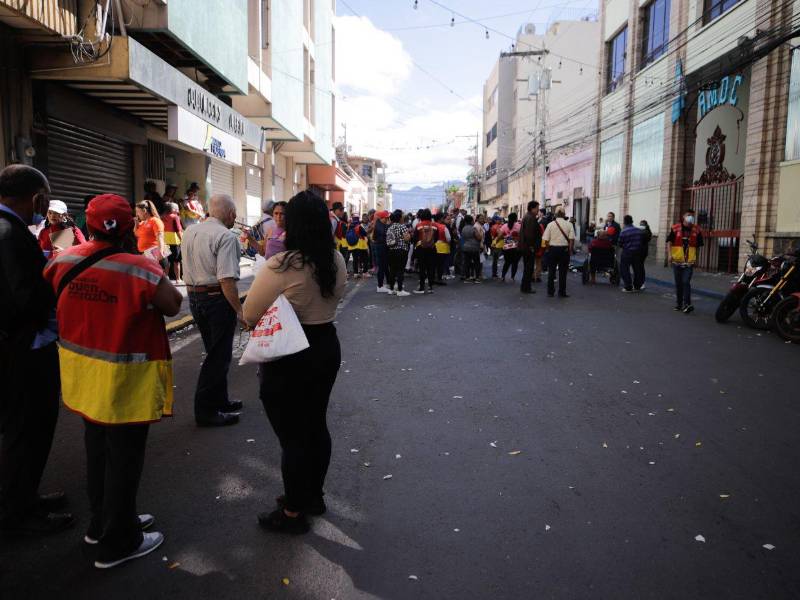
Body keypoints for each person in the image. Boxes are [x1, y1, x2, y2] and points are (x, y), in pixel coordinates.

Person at [43, 194, 181, 568]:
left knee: (98, 452)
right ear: (128, 229)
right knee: (124, 459)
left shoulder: (63, 259)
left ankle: (101, 524)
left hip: (83, 376)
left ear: (86, 225)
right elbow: (172, 305)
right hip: (126, 381)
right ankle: (119, 541)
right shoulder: (140, 268)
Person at [242, 191, 346, 534]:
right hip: (325, 346)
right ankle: (312, 496)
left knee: (292, 436)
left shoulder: (283, 264)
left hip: (289, 352)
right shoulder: (336, 259)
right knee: (315, 425)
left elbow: (250, 313)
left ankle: (292, 511)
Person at [0, 165, 74, 537]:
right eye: (44, 196)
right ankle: (18, 513)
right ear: (36, 198)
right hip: (23, 350)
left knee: (23, 430)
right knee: (27, 429)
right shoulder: (9, 234)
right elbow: (24, 297)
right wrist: (53, 282)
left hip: (19, 347)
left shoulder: (12, 230)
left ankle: (24, 497)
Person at [181, 194, 246, 426]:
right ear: (229, 214)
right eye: (235, 213)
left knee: (215, 352)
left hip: (194, 297)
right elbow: (227, 280)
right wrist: (239, 310)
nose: (236, 217)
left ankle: (221, 400)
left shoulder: (189, 231)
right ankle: (206, 410)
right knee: (218, 356)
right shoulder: (226, 236)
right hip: (215, 298)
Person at [667, 209, 703, 313]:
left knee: (686, 282)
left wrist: (697, 259)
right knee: (678, 284)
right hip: (677, 261)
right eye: (688, 215)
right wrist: (669, 255)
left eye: (692, 215)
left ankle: (687, 304)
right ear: (684, 216)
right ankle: (679, 304)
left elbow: (698, 247)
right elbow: (669, 242)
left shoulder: (697, 230)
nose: (690, 217)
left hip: (689, 262)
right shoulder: (675, 228)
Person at [542, 208, 575, 297]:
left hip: (552, 249)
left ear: (555, 215)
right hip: (564, 250)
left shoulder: (550, 225)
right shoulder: (569, 224)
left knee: (551, 271)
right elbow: (571, 239)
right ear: (564, 215)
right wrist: (570, 250)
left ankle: (550, 291)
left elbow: (545, 240)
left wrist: (548, 249)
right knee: (563, 272)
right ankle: (562, 292)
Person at [135, 200, 168, 273]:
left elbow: (160, 237)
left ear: (144, 211)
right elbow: (136, 233)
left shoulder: (155, 221)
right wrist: (136, 223)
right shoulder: (142, 223)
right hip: (145, 254)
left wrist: (161, 251)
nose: (136, 214)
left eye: (138, 211)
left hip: (154, 252)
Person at [385, 209, 411, 296]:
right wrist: (409, 236)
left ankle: (391, 289)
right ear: (400, 218)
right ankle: (400, 290)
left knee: (392, 270)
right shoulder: (402, 227)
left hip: (391, 251)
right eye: (402, 216)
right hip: (401, 250)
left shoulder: (390, 227)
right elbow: (407, 239)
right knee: (400, 270)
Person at [618, 214, 646, 292]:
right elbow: (642, 241)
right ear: (632, 221)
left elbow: (620, 243)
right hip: (637, 252)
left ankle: (628, 286)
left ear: (624, 222)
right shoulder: (638, 230)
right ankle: (637, 286)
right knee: (637, 269)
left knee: (624, 269)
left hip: (627, 252)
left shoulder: (623, 231)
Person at [519, 201, 542, 294]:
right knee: (529, 268)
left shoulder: (528, 216)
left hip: (526, 247)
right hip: (528, 247)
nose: (538, 210)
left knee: (527, 268)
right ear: (532, 208)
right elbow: (529, 234)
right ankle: (526, 287)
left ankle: (525, 287)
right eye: (537, 208)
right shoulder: (530, 218)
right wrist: (531, 246)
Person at [413, 208, 438, 294]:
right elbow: (437, 238)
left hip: (421, 249)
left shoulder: (419, 225)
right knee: (431, 267)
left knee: (422, 268)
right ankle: (431, 287)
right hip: (432, 248)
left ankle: (422, 287)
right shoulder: (434, 225)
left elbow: (415, 238)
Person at [162, 202, 184, 283]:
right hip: (175, 241)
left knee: (167, 261)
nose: (178, 209)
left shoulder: (162, 217)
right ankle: (178, 279)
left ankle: (166, 277)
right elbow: (178, 230)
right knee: (176, 261)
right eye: (177, 208)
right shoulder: (175, 217)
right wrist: (183, 240)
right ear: (173, 209)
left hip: (164, 241)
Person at [370, 210, 391, 293]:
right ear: (382, 218)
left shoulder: (380, 224)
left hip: (381, 247)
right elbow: (384, 233)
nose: (387, 219)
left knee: (385, 266)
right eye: (386, 218)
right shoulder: (379, 225)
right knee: (381, 266)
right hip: (380, 247)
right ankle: (380, 285)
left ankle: (388, 283)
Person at [498, 212, 522, 282]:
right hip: (516, 247)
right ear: (516, 218)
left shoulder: (504, 226)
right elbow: (521, 236)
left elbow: (500, 236)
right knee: (515, 263)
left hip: (506, 247)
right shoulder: (519, 226)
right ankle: (512, 277)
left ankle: (503, 276)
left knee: (507, 262)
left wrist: (496, 241)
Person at [460, 215, 483, 282]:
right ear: (471, 221)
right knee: (476, 263)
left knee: (467, 263)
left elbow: (463, 238)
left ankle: (467, 277)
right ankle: (477, 278)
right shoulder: (473, 228)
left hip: (466, 247)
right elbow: (479, 238)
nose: (473, 221)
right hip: (474, 248)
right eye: (473, 220)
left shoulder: (463, 229)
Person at [433, 213, 451, 285]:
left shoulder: (432, 225)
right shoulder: (444, 227)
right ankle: (439, 279)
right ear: (440, 219)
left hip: (433, 246)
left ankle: (433, 278)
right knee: (441, 265)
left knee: (434, 264)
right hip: (442, 247)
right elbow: (448, 238)